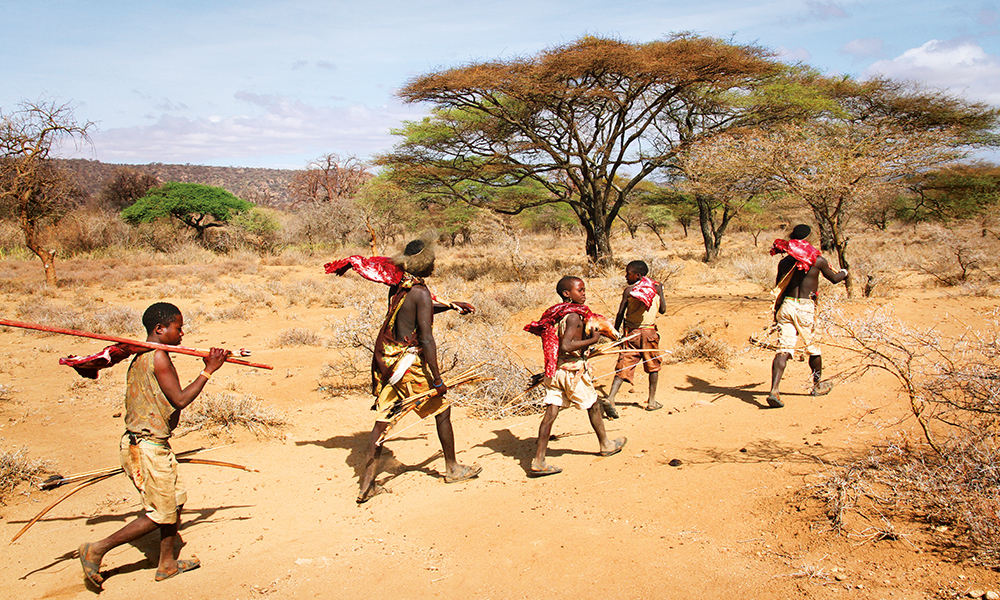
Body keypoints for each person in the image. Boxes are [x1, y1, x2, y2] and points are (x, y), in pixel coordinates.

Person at [79, 303, 228, 588]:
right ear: (160, 330)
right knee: (160, 513)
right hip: (144, 446)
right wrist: (209, 370)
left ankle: (167, 563)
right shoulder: (157, 357)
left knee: (174, 503)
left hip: (152, 443)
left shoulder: (145, 353)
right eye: (177, 327)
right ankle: (96, 549)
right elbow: (181, 400)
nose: (182, 333)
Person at [358, 232, 481, 504]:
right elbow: (426, 338)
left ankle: (366, 485)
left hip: (390, 362)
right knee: (442, 410)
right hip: (409, 365)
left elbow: (413, 311)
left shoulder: (401, 286)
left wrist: (449, 306)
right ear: (424, 265)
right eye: (432, 261)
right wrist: (437, 379)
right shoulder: (421, 292)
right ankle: (452, 468)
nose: (434, 264)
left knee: (382, 422)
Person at [529, 276, 627, 477]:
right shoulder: (573, 316)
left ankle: (539, 460)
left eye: (584, 290)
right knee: (593, 405)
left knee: (551, 413)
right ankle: (606, 444)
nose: (584, 293)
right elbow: (566, 345)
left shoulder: (557, 314)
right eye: (580, 290)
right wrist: (593, 339)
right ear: (567, 294)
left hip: (555, 371)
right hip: (572, 372)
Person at [767, 224, 848, 408]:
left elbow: (780, 287)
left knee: (784, 348)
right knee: (813, 348)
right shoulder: (817, 260)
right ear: (809, 238)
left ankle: (774, 389)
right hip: (805, 308)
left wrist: (775, 314)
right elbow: (835, 279)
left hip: (786, 305)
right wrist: (845, 272)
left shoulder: (785, 262)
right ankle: (817, 385)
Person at [602, 260, 667, 417]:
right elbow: (663, 310)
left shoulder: (629, 291)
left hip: (631, 334)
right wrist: (661, 292)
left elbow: (620, 314)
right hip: (650, 333)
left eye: (628, 273)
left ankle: (611, 398)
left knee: (624, 365)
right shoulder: (656, 287)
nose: (625, 276)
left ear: (637, 275)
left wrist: (615, 333)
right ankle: (652, 401)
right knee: (653, 366)